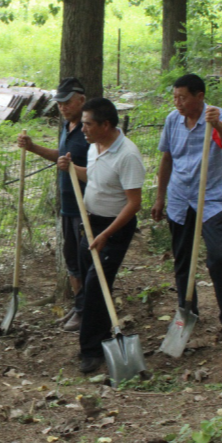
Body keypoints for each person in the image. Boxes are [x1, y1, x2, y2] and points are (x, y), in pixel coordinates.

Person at [151, 73, 222, 338]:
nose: (178, 102)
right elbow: (166, 159)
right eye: (175, 97)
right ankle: (188, 313)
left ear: (200, 96)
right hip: (179, 198)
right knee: (183, 261)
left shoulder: (217, 115)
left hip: (212, 198)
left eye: (182, 97)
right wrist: (160, 197)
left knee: (218, 258)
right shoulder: (173, 120)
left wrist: (216, 124)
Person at [58, 98, 146, 374]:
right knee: (88, 278)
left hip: (114, 228)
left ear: (105, 125)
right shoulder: (94, 147)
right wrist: (72, 169)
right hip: (91, 222)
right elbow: (94, 178)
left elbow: (134, 203)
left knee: (97, 285)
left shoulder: (127, 155)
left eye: (87, 124)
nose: (82, 129)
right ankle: (99, 329)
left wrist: (107, 234)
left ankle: (91, 350)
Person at [17, 77, 90, 332]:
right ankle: (79, 306)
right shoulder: (67, 126)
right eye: (59, 103)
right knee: (71, 259)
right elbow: (61, 158)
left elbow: (99, 169)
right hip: (68, 205)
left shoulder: (90, 129)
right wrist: (33, 147)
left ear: (81, 100)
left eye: (67, 102)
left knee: (85, 260)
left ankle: (86, 311)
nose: (62, 107)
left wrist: (74, 168)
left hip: (87, 206)